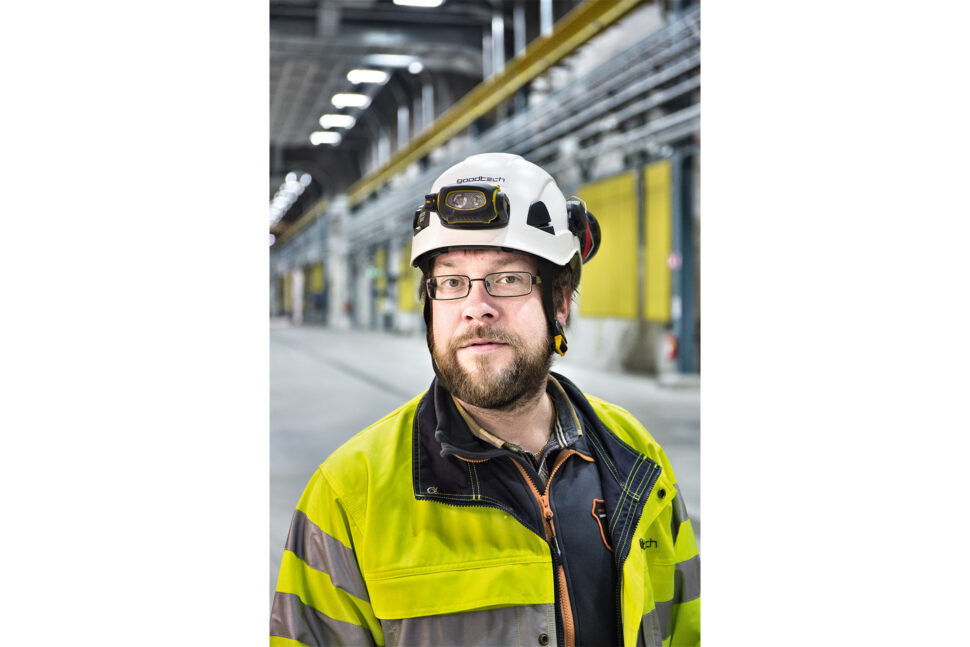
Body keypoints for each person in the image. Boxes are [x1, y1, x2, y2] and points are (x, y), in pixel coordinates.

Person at [271, 153, 700, 647]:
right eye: (452, 282)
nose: (477, 308)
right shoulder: (348, 495)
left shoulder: (637, 458)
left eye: (507, 279)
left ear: (560, 302)